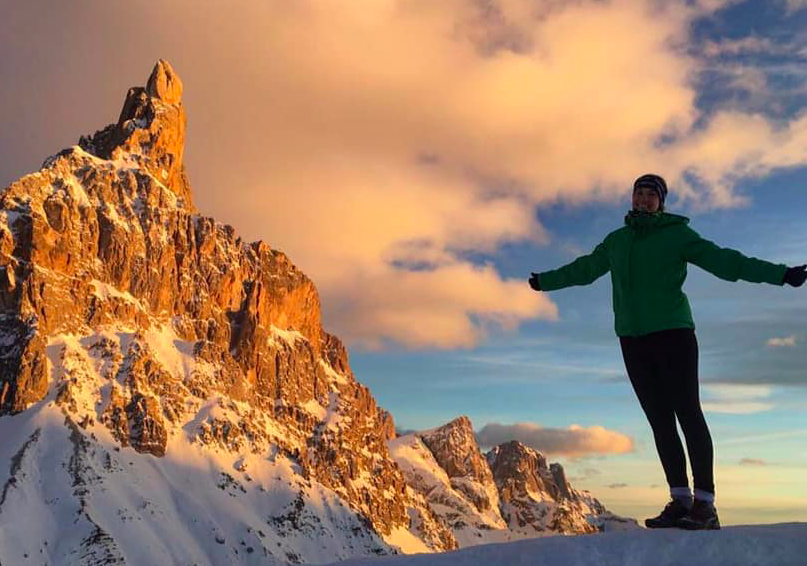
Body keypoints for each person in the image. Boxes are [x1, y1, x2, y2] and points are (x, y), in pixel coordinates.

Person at [528, 174, 807, 530]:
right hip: (632, 339)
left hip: (673, 333)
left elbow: (725, 262)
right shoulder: (617, 241)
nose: (643, 199)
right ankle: (680, 499)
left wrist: (781, 274)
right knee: (660, 420)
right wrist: (546, 281)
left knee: (688, 413)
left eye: (650, 195)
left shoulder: (677, 235)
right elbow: (584, 269)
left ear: (661, 202)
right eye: (638, 193)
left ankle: (705, 505)